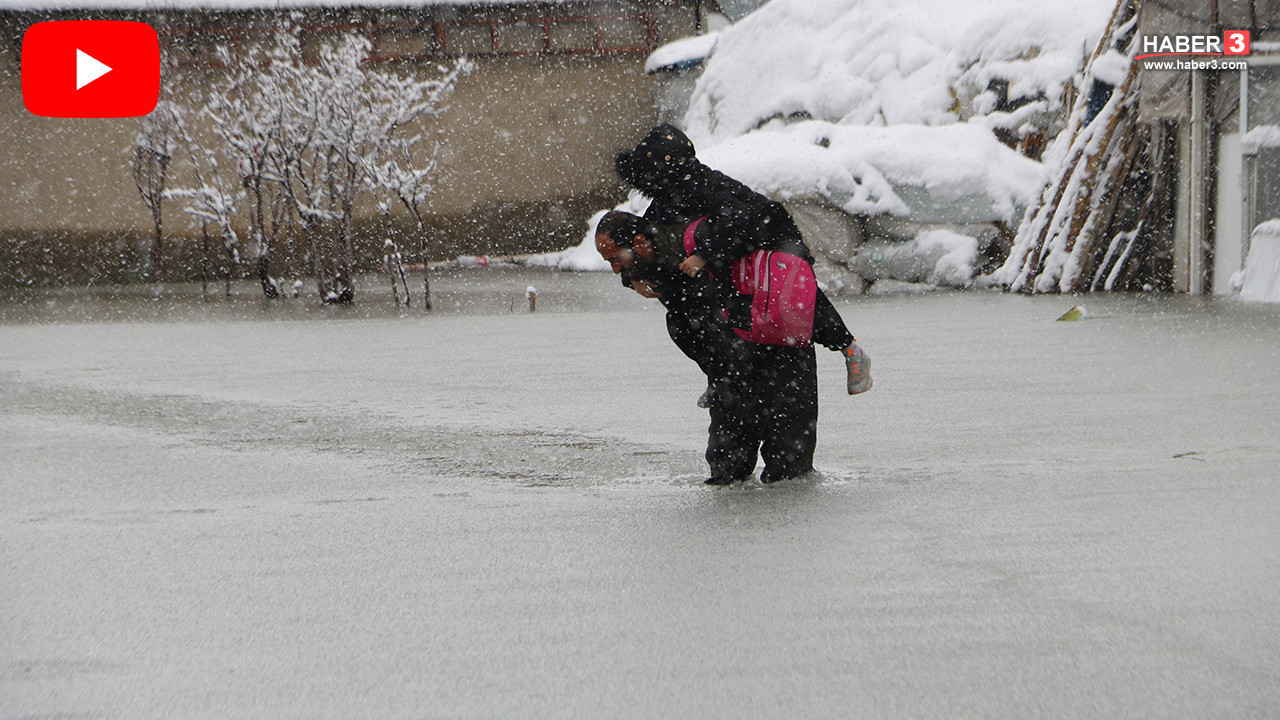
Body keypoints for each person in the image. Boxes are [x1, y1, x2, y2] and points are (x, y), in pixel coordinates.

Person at [615, 124, 872, 395]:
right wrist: (632, 277)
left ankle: (851, 349)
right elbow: (641, 241)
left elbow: (736, 217)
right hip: (732, 253)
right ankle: (721, 376)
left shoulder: (705, 184)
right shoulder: (666, 198)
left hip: (771, 240)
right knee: (687, 319)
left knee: (796, 301)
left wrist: (702, 255)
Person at [595, 211, 815, 485]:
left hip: (778, 348)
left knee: (789, 470)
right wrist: (630, 278)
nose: (616, 270)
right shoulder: (649, 261)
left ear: (640, 242)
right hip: (730, 365)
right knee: (727, 467)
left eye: (616, 260)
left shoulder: (697, 245)